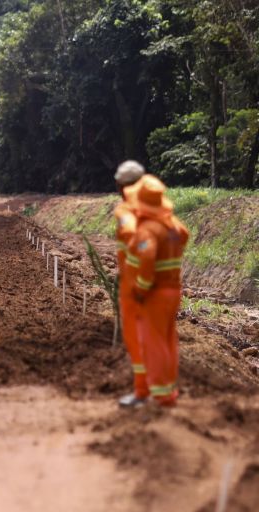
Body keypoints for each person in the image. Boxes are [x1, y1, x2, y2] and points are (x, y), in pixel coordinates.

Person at [128, 176, 189, 407]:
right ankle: (169, 389)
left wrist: (141, 287)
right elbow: (184, 235)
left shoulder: (147, 231)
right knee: (167, 339)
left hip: (155, 293)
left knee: (152, 341)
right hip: (174, 289)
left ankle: (161, 395)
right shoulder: (172, 225)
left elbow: (147, 255)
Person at [113, 161, 148, 408]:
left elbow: (145, 248)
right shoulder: (154, 207)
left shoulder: (133, 213)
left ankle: (145, 392)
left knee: (140, 339)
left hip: (140, 286)